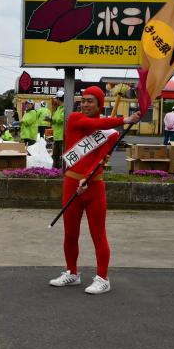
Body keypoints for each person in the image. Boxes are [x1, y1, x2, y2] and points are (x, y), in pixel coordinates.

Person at [49, 86, 141, 295]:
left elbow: (100, 159)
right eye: (83, 100)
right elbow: (93, 123)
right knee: (70, 234)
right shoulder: (74, 118)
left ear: (100, 104)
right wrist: (124, 120)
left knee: (98, 234)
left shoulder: (109, 134)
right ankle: (71, 272)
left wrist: (87, 177)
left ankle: (102, 278)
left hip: (94, 186)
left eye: (90, 101)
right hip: (71, 184)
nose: (85, 104)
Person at [50, 90, 66, 169]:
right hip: (57, 135)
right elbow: (55, 119)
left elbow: (61, 119)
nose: (54, 100)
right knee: (55, 155)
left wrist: (53, 119)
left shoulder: (65, 108)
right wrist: (50, 119)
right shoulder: (58, 109)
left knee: (62, 155)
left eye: (56, 99)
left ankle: (61, 170)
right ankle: (55, 171)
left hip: (62, 136)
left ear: (59, 99)